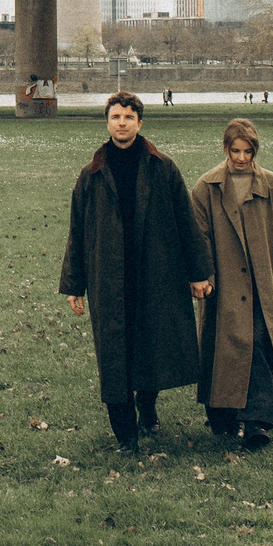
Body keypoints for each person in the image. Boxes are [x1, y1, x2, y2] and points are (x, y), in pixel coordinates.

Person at [61, 92, 213, 451]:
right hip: (108, 277)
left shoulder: (163, 167)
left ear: (140, 123)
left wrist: (198, 273)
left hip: (155, 272)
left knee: (151, 346)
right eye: (116, 117)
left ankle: (148, 407)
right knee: (114, 355)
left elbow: (186, 222)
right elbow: (78, 230)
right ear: (107, 122)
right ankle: (125, 437)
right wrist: (74, 284)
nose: (122, 123)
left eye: (129, 117)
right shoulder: (91, 174)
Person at [189, 117, 273, 450]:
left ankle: (257, 421)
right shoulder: (206, 187)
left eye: (248, 151)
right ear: (225, 149)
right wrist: (206, 278)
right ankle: (224, 415)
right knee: (226, 347)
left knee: (258, 342)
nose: (241, 158)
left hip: (264, 283)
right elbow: (199, 239)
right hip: (224, 286)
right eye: (235, 151)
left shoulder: (272, 185)